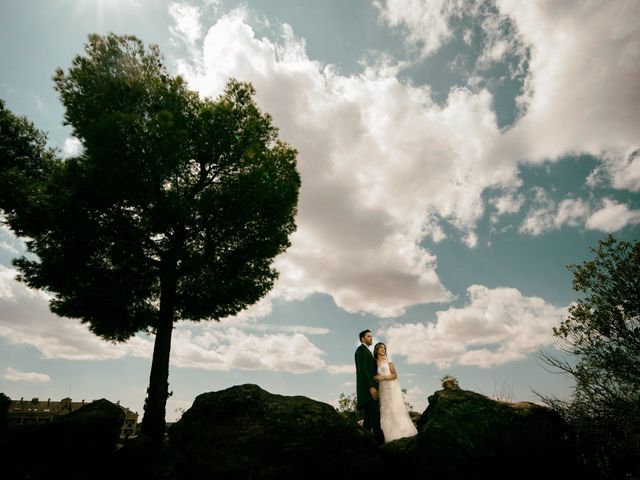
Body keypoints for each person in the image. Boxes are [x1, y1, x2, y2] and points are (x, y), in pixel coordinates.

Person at [373, 342, 418, 443]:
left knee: (394, 407)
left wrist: (383, 377)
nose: (383, 350)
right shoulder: (374, 362)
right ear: (376, 350)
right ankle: (384, 433)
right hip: (382, 389)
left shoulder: (388, 361)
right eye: (380, 348)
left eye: (384, 348)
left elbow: (394, 375)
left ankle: (400, 432)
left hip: (391, 386)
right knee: (384, 409)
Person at [354, 329, 385, 445]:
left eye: (371, 336)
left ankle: (366, 446)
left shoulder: (367, 351)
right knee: (376, 420)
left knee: (367, 421)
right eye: (368, 336)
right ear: (363, 338)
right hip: (369, 391)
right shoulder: (361, 350)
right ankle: (381, 445)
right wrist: (371, 387)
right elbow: (362, 371)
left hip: (371, 389)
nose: (371, 338)